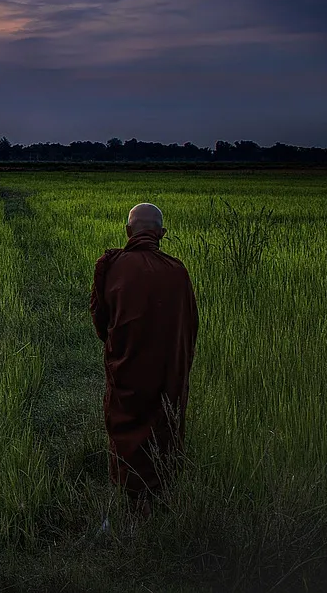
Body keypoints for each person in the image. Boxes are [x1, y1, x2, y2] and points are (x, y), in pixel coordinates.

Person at [90, 202, 199, 515]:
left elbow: (102, 322)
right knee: (164, 424)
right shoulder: (177, 270)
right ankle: (161, 496)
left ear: (128, 232)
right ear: (162, 234)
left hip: (129, 369)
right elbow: (191, 325)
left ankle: (131, 499)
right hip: (169, 371)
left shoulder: (112, 266)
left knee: (127, 424)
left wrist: (122, 348)